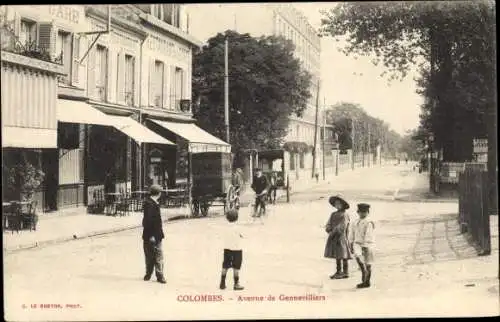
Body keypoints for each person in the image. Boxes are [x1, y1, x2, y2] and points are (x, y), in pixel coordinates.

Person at [142, 184, 166, 284]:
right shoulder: (151, 205)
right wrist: (152, 235)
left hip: (149, 234)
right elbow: (149, 221)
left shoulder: (150, 203)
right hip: (154, 235)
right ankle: (160, 276)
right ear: (158, 193)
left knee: (149, 255)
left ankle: (148, 274)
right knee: (158, 255)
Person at [324, 195, 352, 279]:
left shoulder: (345, 215)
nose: (337, 205)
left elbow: (342, 226)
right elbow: (329, 223)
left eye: (339, 204)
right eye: (336, 204)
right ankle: (338, 271)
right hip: (334, 237)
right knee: (337, 255)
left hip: (341, 237)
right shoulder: (333, 214)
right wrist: (328, 228)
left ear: (343, 205)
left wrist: (334, 231)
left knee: (343, 254)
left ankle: (345, 272)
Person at [349, 203, 375, 289]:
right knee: (359, 260)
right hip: (357, 244)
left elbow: (369, 235)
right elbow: (352, 233)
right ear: (358, 212)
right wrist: (350, 243)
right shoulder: (355, 222)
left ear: (368, 212)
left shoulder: (369, 223)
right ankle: (364, 274)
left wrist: (365, 245)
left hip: (367, 245)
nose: (363, 214)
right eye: (361, 212)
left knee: (368, 263)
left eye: (365, 212)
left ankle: (367, 281)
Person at [219, 209, 245, 290]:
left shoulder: (225, 228)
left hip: (227, 248)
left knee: (225, 265)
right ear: (237, 218)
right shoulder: (238, 227)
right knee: (236, 266)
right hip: (237, 249)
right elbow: (243, 235)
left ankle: (222, 283)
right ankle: (236, 284)